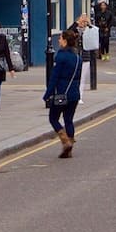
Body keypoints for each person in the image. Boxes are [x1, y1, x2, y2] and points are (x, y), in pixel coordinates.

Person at [45, 28, 85, 158]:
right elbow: (79, 77)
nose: (59, 40)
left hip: (62, 94)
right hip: (74, 94)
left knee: (53, 118)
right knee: (69, 119)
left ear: (65, 41)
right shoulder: (78, 58)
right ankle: (70, 148)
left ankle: (65, 141)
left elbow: (54, 77)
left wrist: (47, 94)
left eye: (61, 38)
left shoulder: (61, 56)